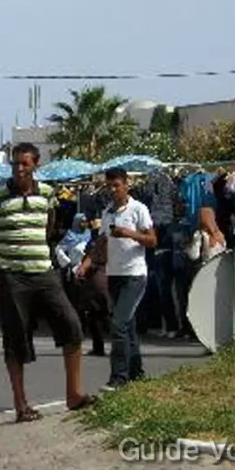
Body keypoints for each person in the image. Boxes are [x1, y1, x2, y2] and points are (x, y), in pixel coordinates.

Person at [0, 142, 92, 422]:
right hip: (12, 275)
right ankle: (21, 404)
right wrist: (10, 251)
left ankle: (74, 393)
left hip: (43, 272)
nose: (19, 169)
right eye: (15, 163)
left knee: (71, 325)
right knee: (16, 340)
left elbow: (49, 227)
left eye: (25, 164)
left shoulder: (47, 194)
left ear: (35, 165)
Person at [81, 167, 157, 391]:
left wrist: (129, 234)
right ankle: (136, 372)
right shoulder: (107, 212)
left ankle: (119, 377)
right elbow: (102, 242)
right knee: (128, 326)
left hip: (135, 274)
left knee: (118, 323)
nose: (113, 189)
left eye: (117, 185)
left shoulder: (138, 209)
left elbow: (152, 239)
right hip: (114, 274)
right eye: (110, 185)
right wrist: (87, 264)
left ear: (126, 185)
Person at [56, 214, 106, 357]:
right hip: (76, 274)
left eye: (86, 222)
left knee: (98, 311)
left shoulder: (94, 240)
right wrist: (68, 264)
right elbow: (59, 250)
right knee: (81, 309)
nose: (84, 224)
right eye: (81, 222)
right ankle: (86, 341)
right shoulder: (70, 236)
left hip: (95, 277)